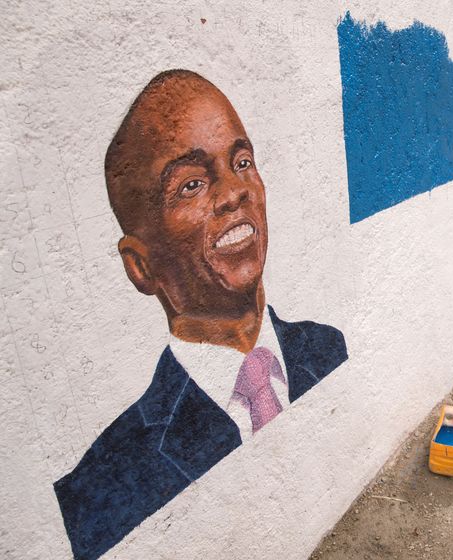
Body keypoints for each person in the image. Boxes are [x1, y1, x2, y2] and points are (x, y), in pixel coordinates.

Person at [52, 70, 349, 560]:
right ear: (141, 266)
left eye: (242, 161)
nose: (235, 192)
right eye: (191, 184)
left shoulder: (327, 348)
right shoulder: (100, 488)